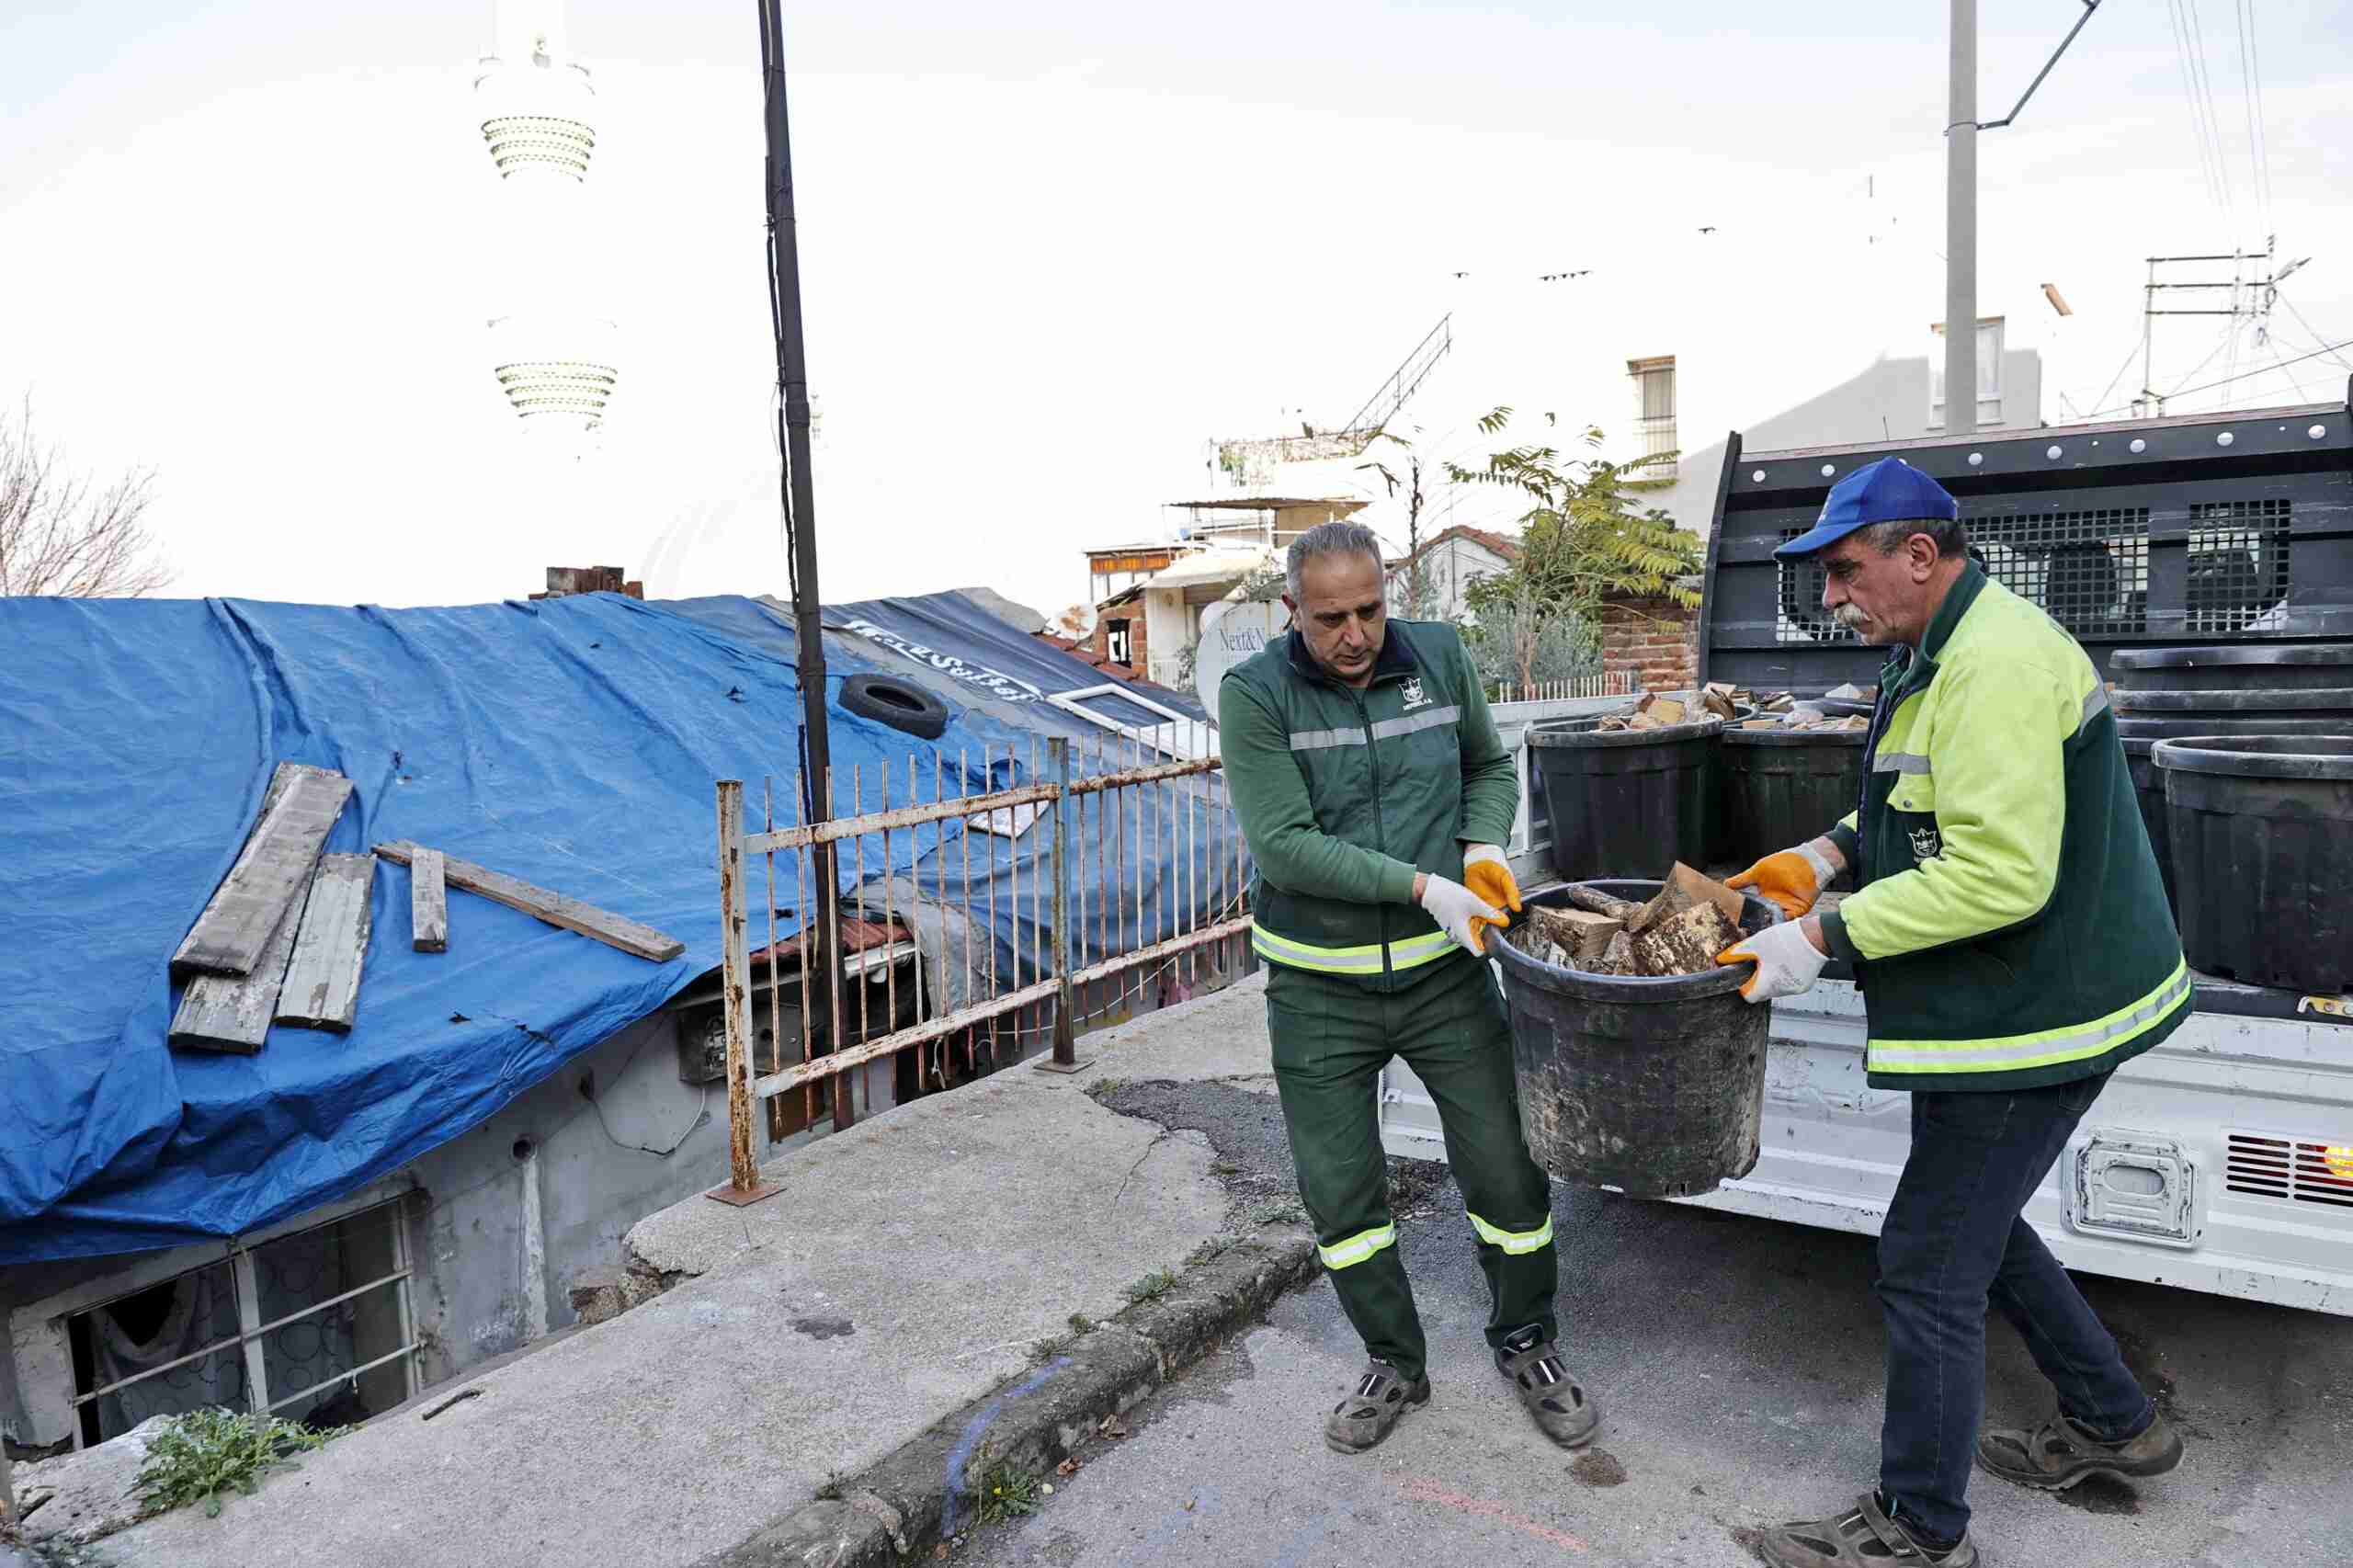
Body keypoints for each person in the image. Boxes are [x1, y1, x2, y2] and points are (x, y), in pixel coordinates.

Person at [1716, 457, 2189, 1568]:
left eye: (1842, 571)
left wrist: (1817, 935)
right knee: (1974, 1224)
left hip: (2045, 1007)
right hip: (2014, 1001)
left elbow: (2000, 878)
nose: (1830, 596)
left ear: (1916, 554)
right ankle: (2118, 1421)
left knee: (1926, 1260)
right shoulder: (1939, 646)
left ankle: (1917, 1529)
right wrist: (1825, 851)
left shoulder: (1997, 664)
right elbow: (1919, 788)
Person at [1218, 519, 1597, 1456]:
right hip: (1317, 992)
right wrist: (1426, 886)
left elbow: (1487, 763)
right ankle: (1394, 1358)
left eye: (1371, 608)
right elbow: (1284, 846)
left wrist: (1477, 841)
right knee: (1342, 1196)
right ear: (1290, 610)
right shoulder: (1254, 692)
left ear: (1391, 594)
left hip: (1444, 980)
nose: (1355, 634)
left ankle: (1526, 1338)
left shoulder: (1437, 656)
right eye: (1331, 616)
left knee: (1508, 1169)